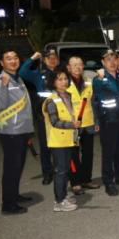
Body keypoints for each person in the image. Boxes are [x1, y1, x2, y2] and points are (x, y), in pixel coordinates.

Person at [0, 49, 35, 214]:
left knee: (18, 166)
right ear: (2, 63)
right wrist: (4, 86)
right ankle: (8, 204)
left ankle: (14, 195)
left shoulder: (17, 78)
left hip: (21, 130)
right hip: (11, 132)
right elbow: (2, 104)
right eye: (8, 58)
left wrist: (28, 132)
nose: (13, 61)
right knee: (11, 168)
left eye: (15, 57)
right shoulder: (1, 80)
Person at [92, 49, 119, 196]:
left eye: (114, 59)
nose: (112, 62)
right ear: (103, 62)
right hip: (108, 121)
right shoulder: (98, 80)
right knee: (108, 153)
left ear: (118, 61)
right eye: (108, 60)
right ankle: (108, 182)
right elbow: (96, 102)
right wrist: (97, 121)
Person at [18, 48, 58, 184]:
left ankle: (61, 170)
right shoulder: (38, 75)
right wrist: (33, 58)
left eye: (54, 57)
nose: (52, 60)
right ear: (44, 60)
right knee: (45, 146)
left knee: (61, 145)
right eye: (49, 58)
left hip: (61, 115)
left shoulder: (63, 74)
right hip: (44, 115)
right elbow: (22, 72)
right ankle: (47, 173)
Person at [42, 68, 79, 212]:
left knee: (65, 169)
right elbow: (54, 122)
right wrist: (72, 125)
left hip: (68, 139)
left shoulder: (68, 95)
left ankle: (62, 195)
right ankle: (59, 201)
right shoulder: (51, 100)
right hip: (58, 141)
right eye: (59, 79)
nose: (63, 82)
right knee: (61, 171)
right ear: (53, 82)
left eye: (65, 79)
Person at [66, 56, 99, 195]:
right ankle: (75, 183)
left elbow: (94, 102)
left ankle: (86, 179)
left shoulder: (88, 82)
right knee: (73, 155)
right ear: (68, 67)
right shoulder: (64, 83)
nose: (78, 67)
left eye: (80, 64)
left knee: (88, 154)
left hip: (88, 123)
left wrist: (97, 121)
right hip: (72, 125)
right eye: (74, 65)